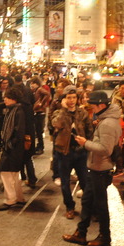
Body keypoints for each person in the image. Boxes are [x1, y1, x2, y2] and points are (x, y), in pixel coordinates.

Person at [62, 91, 121, 246]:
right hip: (96, 167)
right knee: (87, 202)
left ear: (101, 105)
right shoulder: (106, 120)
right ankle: (81, 233)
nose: (92, 109)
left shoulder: (108, 123)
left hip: (100, 169)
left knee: (100, 205)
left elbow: (105, 149)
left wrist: (85, 143)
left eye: (93, 106)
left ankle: (104, 236)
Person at [51, 85, 93, 218]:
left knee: (85, 181)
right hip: (64, 153)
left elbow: (89, 130)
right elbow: (55, 124)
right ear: (64, 99)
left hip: (81, 152)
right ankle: (70, 207)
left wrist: (87, 145)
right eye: (69, 98)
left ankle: (88, 207)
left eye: (74, 97)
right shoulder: (58, 113)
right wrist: (63, 109)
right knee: (65, 183)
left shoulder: (82, 113)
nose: (72, 100)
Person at [0, 87, 27, 210]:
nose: (5, 99)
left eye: (7, 97)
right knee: (14, 173)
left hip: (13, 148)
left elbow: (18, 132)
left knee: (6, 172)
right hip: (15, 148)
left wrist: (10, 144)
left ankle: (11, 199)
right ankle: (19, 197)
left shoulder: (17, 111)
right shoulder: (15, 110)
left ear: (13, 99)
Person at [30, 76, 51, 155]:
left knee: (39, 131)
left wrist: (41, 103)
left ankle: (41, 147)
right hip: (37, 112)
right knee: (37, 131)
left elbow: (47, 94)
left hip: (40, 112)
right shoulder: (35, 90)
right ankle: (39, 146)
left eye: (33, 83)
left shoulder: (39, 89)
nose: (32, 85)